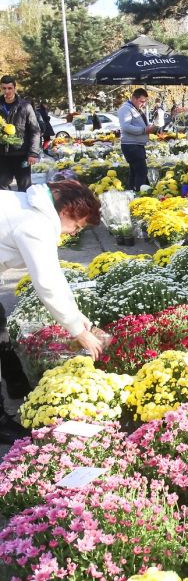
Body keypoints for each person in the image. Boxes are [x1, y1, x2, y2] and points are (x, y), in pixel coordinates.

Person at [0, 180, 103, 443]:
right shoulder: (36, 224)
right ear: (67, 211)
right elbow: (46, 283)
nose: (72, 233)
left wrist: (78, 318)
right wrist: (78, 332)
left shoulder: (34, 207)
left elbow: (55, 276)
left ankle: (17, 383)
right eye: (76, 226)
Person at [0, 75, 40, 192]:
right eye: (4, 88)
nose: (7, 91)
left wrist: (33, 153)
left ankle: (27, 210)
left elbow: (35, 131)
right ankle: (7, 210)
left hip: (21, 154)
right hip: (3, 155)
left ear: (15, 88)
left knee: (25, 187)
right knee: (1, 185)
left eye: (9, 88)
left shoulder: (25, 106)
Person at [118, 88, 158, 191]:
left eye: (144, 101)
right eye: (141, 101)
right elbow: (126, 127)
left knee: (135, 172)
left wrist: (152, 127)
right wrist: (144, 130)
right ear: (134, 98)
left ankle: (132, 193)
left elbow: (139, 124)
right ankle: (139, 195)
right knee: (141, 172)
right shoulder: (125, 108)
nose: (143, 104)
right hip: (131, 146)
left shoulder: (135, 108)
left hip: (136, 145)